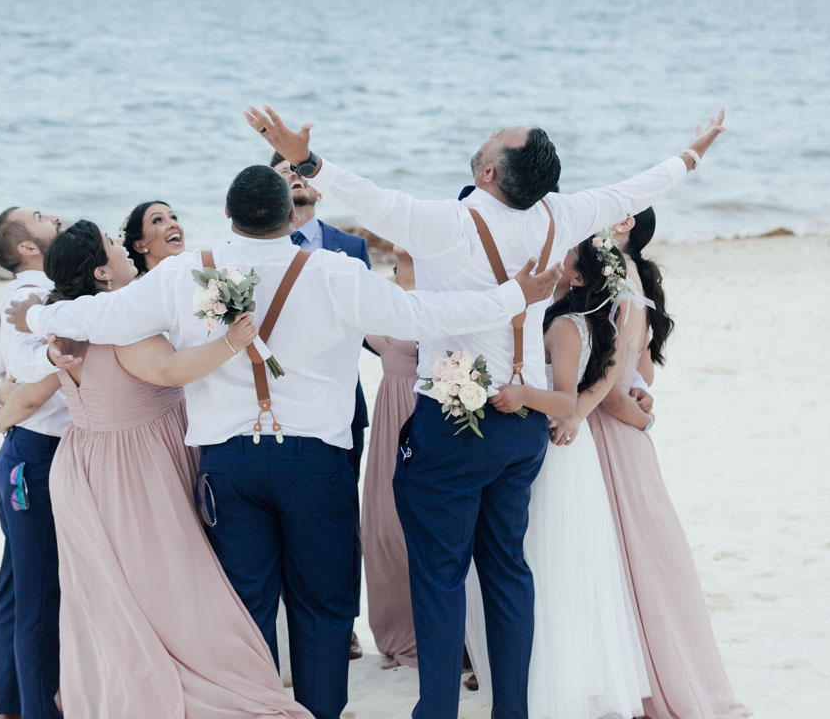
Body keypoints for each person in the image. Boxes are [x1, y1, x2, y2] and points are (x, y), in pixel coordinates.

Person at [4, 165, 562, 719]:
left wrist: (37, 317)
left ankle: (259, 710)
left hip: (228, 466)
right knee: (323, 603)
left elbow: (104, 314)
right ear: (290, 216)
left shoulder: (183, 275)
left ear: (228, 215)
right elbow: (424, 313)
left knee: (245, 604)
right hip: (315, 464)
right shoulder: (335, 273)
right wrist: (514, 297)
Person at [245, 103, 726, 719]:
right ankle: (512, 713)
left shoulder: (447, 223)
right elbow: (631, 189)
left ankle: (438, 711)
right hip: (523, 430)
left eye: (497, 137)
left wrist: (305, 158)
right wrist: (692, 155)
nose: (489, 133)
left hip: (453, 430)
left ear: (493, 173)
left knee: (440, 577)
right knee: (507, 572)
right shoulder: (560, 215)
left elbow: (369, 199)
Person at [0, 219, 312, 718]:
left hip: (85, 465)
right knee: (170, 581)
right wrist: (232, 341)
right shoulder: (120, 322)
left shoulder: (65, 323)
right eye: (114, 244)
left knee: (113, 592)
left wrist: (4, 412)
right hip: (136, 467)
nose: (122, 247)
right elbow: (166, 371)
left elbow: (36, 387)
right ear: (101, 270)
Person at [465, 234, 650, 719]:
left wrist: (521, 394)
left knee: (547, 561)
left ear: (579, 277)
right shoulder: (574, 318)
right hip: (560, 448)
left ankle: (549, 682)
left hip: (557, 447)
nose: (556, 256)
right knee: (550, 561)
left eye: (565, 256)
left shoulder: (568, 325)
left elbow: (567, 401)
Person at [580, 208, 752, 719]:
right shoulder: (633, 276)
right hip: (623, 430)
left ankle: (641, 681)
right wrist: (638, 405)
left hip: (605, 429)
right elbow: (644, 372)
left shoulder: (615, 277)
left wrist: (636, 417)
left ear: (626, 223)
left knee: (625, 558)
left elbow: (611, 382)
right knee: (636, 556)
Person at [273, 150, 372, 659]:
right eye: (283, 171)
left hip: (340, 406)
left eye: (300, 170)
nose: (294, 177)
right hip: (272, 403)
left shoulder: (351, 246)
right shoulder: (254, 247)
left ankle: (345, 623)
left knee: (339, 519)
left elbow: (371, 327)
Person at [0, 205, 66, 719]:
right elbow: (27, 364)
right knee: (37, 594)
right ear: (27, 247)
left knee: (17, 586)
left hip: (21, 451)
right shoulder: (33, 295)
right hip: (35, 458)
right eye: (39, 216)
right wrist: (50, 358)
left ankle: (12, 704)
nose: (52, 215)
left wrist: (8, 376)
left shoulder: (19, 294)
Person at [362, 247, 420, 670]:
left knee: (420, 528)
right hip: (389, 417)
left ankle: (447, 636)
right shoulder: (380, 299)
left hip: (431, 413)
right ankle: (399, 631)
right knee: (383, 524)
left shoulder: (447, 298)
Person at [121, 199, 186, 275]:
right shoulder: (138, 285)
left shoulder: (195, 275)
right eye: (158, 220)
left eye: (173, 218)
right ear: (139, 245)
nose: (174, 224)